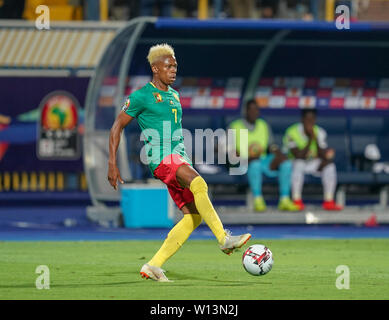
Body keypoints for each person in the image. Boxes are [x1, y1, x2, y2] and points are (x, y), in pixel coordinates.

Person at [108, 43, 251, 282]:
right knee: (200, 184)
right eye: (168, 66)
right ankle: (223, 239)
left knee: (193, 216)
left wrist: (186, 159)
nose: (173, 70)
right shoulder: (142, 96)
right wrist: (112, 162)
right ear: (155, 68)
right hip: (161, 159)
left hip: (176, 157)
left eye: (175, 66)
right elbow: (116, 126)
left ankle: (153, 265)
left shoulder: (174, 95)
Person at [229, 100, 299, 212]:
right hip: (243, 162)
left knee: (286, 163)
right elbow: (230, 151)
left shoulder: (263, 125)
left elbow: (271, 146)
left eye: (256, 109)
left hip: (263, 160)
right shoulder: (235, 126)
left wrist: (278, 154)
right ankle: (258, 200)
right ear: (245, 111)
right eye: (250, 109)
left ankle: (285, 199)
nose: (253, 112)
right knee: (255, 164)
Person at [283, 108, 343, 211]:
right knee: (299, 164)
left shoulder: (319, 131)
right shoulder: (291, 132)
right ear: (302, 119)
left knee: (329, 166)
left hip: (312, 163)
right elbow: (298, 155)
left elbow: (323, 154)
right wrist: (310, 139)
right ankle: (296, 200)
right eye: (307, 119)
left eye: (312, 120)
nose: (310, 122)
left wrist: (316, 140)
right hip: (294, 163)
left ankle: (329, 201)